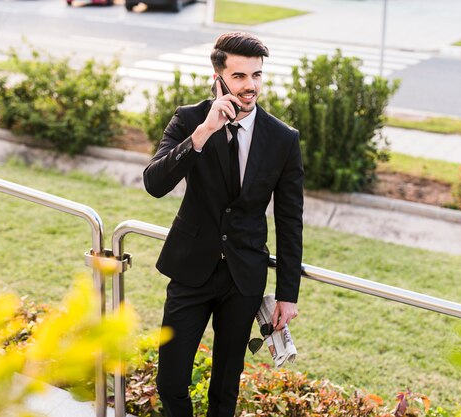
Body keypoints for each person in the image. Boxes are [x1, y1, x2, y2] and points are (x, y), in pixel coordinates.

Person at [143, 31, 304, 417]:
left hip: (243, 278)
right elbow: (154, 183)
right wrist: (204, 133)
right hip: (191, 269)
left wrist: (288, 294)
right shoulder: (189, 120)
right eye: (239, 77)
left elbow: (289, 220)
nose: (250, 86)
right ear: (218, 78)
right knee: (170, 382)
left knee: (225, 388)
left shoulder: (283, 139)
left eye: (257, 76)